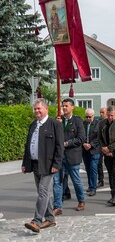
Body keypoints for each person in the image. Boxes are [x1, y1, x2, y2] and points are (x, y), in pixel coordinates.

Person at [22, 98, 64, 233]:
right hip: (35, 164)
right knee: (42, 193)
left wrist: (56, 164)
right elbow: (28, 145)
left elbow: (59, 147)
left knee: (43, 191)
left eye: (39, 108)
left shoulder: (55, 124)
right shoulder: (33, 125)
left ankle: (36, 221)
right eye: (35, 109)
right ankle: (50, 218)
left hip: (48, 165)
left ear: (46, 109)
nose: (37, 111)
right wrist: (25, 163)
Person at [52, 98, 86, 215]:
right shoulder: (58, 120)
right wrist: (57, 125)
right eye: (63, 106)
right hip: (59, 157)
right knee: (57, 181)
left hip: (72, 156)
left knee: (76, 180)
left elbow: (81, 138)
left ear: (72, 107)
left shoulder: (77, 121)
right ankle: (57, 206)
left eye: (67, 106)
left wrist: (66, 143)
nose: (64, 108)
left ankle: (81, 200)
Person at [98, 106, 115, 206]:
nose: (110, 117)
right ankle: (112, 194)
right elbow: (99, 138)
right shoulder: (102, 123)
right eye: (108, 115)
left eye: (112, 115)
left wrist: (109, 148)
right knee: (110, 173)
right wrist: (104, 148)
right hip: (106, 152)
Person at [82, 108, 100, 197]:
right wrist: (84, 143)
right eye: (86, 117)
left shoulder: (97, 124)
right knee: (88, 169)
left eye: (90, 117)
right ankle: (90, 185)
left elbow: (99, 137)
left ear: (93, 116)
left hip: (94, 150)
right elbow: (80, 135)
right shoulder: (83, 124)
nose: (88, 118)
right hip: (85, 150)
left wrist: (91, 144)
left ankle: (93, 188)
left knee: (93, 168)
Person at [97, 107, 107, 187]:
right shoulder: (99, 122)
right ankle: (101, 180)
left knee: (109, 164)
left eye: (103, 112)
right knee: (99, 163)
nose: (101, 114)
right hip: (100, 146)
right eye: (100, 112)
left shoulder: (111, 121)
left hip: (109, 146)